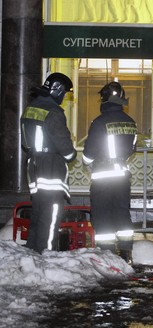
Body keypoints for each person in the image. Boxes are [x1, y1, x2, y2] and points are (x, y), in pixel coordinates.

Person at [20, 72, 76, 253]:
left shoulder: (30, 107)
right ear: (57, 90)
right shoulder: (54, 112)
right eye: (64, 93)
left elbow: (24, 142)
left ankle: (33, 250)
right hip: (51, 167)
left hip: (34, 165)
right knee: (51, 213)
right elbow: (65, 147)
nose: (64, 97)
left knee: (38, 211)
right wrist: (71, 154)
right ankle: (47, 254)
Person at [82, 81, 138, 262]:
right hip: (122, 175)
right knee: (122, 212)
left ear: (105, 99)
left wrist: (88, 163)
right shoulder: (131, 122)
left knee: (102, 213)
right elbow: (131, 150)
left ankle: (106, 253)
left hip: (103, 177)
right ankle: (126, 252)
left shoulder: (99, 122)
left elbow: (89, 153)